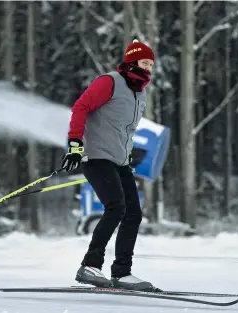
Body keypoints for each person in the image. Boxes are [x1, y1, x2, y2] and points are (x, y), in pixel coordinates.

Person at [61, 39, 160, 292]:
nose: (148, 68)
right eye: (144, 62)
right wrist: (74, 144)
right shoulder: (109, 82)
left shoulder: (140, 92)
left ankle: (122, 273)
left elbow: (121, 129)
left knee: (133, 213)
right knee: (115, 207)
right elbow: (81, 107)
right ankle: (89, 266)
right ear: (131, 62)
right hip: (95, 156)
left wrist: (130, 153)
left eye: (151, 64)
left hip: (119, 160)